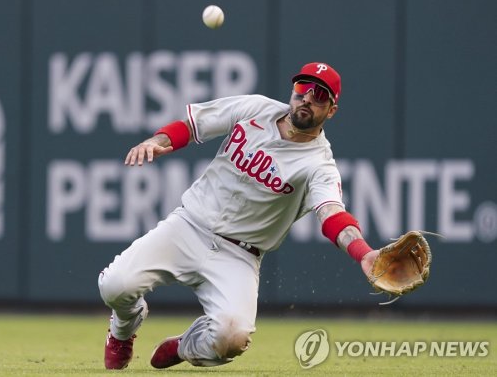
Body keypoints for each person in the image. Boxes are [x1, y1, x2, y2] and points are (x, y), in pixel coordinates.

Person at [98, 62, 379, 370]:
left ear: (331, 110)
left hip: (239, 255)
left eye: (320, 95)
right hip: (190, 225)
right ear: (293, 91)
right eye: (302, 89)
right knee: (115, 285)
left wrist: (363, 253)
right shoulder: (255, 109)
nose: (307, 99)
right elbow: (193, 126)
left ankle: (185, 346)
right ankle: (123, 329)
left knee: (232, 339)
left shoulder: (319, 164)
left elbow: (330, 213)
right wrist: (156, 140)